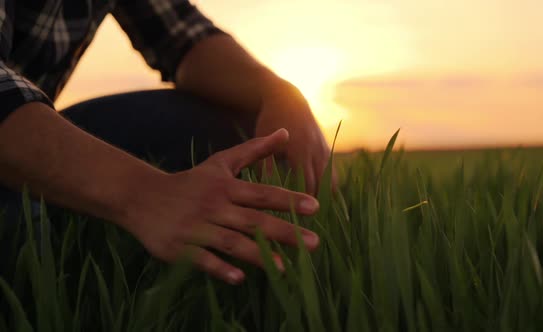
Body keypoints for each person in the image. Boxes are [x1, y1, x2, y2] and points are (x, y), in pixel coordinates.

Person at [0, 0, 335, 285]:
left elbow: (183, 34)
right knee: (27, 260)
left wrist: (279, 94)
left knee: (249, 127)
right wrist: (144, 193)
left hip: (35, 123)